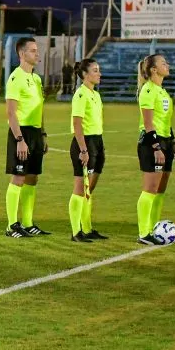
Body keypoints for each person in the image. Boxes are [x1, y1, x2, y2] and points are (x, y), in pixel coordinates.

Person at [4, 37, 50, 238]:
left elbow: (40, 110)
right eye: (32, 50)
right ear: (22, 54)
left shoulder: (37, 79)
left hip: (35, 133)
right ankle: (11, 225)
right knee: (18, 177)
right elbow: (11, 113)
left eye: (36, 50)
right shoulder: (15, 78)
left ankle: (28, 222)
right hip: (20, 132)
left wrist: (43, 134)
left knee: (32, 178)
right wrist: (20, 140)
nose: (37, 53)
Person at [135, 54, 175, 245]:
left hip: (166, 142)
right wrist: (156, 147)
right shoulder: (148, 90)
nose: (167, 65)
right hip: (152, 143)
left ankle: (153, 227)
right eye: (163, 63)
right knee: (150, 189)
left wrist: (173, 142)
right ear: (153, 69)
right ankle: (144, 233)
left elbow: (165, 122)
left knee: (160, 189)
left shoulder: (163, 92)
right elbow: (148, 122)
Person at [68, 58, 109, 242]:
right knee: (80, 188)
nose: (99, 73)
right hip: (84, 143)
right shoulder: (80, 94)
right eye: (95, 70)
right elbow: (77, 124)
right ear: (85, 75)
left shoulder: (96, 95)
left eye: (98, 70)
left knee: (88, 189)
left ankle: (87, 228)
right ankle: (76, 232)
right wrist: (83, 150)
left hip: (97, 141)